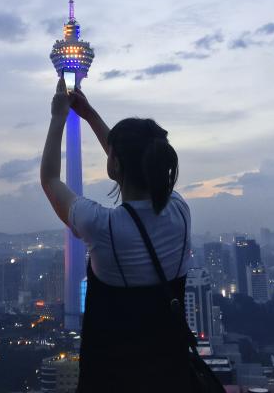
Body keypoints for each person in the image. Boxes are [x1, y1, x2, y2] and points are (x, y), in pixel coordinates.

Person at [40, 77, 192, 392]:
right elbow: (134, 160)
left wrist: (59, 117)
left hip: (112, 376)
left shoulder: (104, 226)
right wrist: (90, 114)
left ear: (116, 163)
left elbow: (50, 179)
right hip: (171, 373)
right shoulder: (179, 211)